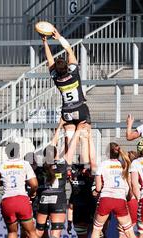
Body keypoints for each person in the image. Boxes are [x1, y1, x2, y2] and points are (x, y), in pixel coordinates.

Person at [36, 120, 87, 238]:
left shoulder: (43, 165)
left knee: (38, 231)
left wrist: (59, 127)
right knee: (55, 232)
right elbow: (71, 146)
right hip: (58, 198)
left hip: (44, 198)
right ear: (56, 152)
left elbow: (51, 147)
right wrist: (77, 130)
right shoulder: (63, 163)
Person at [0, 143, 46, 238]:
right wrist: (32, 193)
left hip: (8, 200)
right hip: (21, 199)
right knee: (31, 231)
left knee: (12, 231)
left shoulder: (2, 165)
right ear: (18, 152)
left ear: (6, 152)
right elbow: (34, 184)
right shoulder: (25, 164)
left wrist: (4, 182)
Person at [41, 27, 91, 157]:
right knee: (84, 138)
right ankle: (85, 166)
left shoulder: (56, 78)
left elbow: (49, 60)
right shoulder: (73, 72)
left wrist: (45, 43)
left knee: (69, 137)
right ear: (67, 67)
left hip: (67, 111)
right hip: (80, 108)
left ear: (56, 70)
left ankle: (68, 167)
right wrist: (59, 38)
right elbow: (69, 51)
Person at [86, 142, 135, 238]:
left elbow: (98, 187)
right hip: (120, 199)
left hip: (106, 198)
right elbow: (129, 187)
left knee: (97, 229)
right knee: (129, 231)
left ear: (107, 153)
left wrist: (95, 192)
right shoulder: (124, 164)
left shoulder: (103, 164)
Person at [19, 152, 50, 238]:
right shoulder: (22, 172)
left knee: (44, 233)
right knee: (24, 233)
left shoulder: (42, 172)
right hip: (26, 206)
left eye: (33, 162)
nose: (31, 164)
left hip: (41, 206)